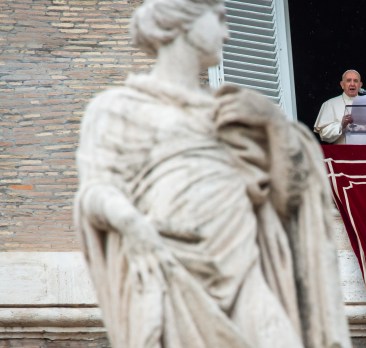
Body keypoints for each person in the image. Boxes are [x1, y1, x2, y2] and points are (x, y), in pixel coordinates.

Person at [73, 0, 351, 347]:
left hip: (246, 270)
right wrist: (133, 225)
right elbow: (96, 191)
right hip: (172, 270)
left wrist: (274, 125)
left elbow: (287, 202)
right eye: (218, 19)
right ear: (182, 23)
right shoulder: (117, 108)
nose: (227, 32)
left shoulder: (234, 115)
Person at [314, 70, 366, 144]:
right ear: (342, 84)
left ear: (360, 85)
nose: (352, 84)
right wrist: (341, 125)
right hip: (342, 155)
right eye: (348, 80)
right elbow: (324, 135)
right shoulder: (330, 104)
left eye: (355, 81)